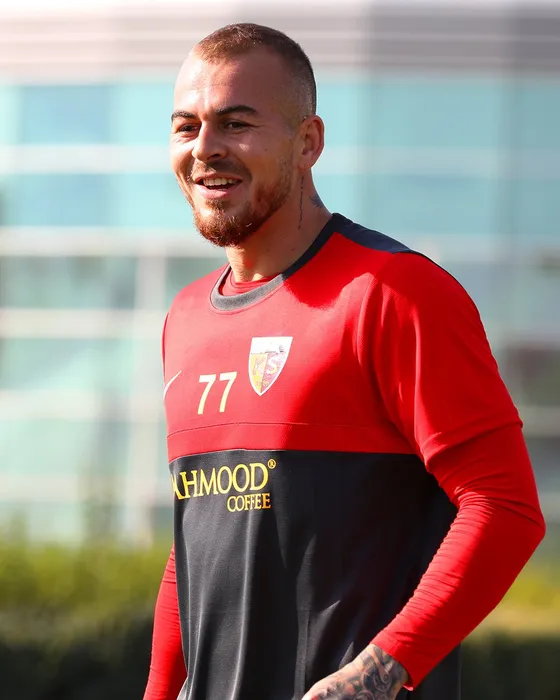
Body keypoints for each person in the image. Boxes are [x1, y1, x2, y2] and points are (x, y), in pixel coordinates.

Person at [143, 23, 546, 700]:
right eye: (187, 126)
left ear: (308, 143)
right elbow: (196, 548)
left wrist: (378, 672)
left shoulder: (395, 293)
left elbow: (504, 507)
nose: (206, 147)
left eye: (236, 123)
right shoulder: (184, 318)